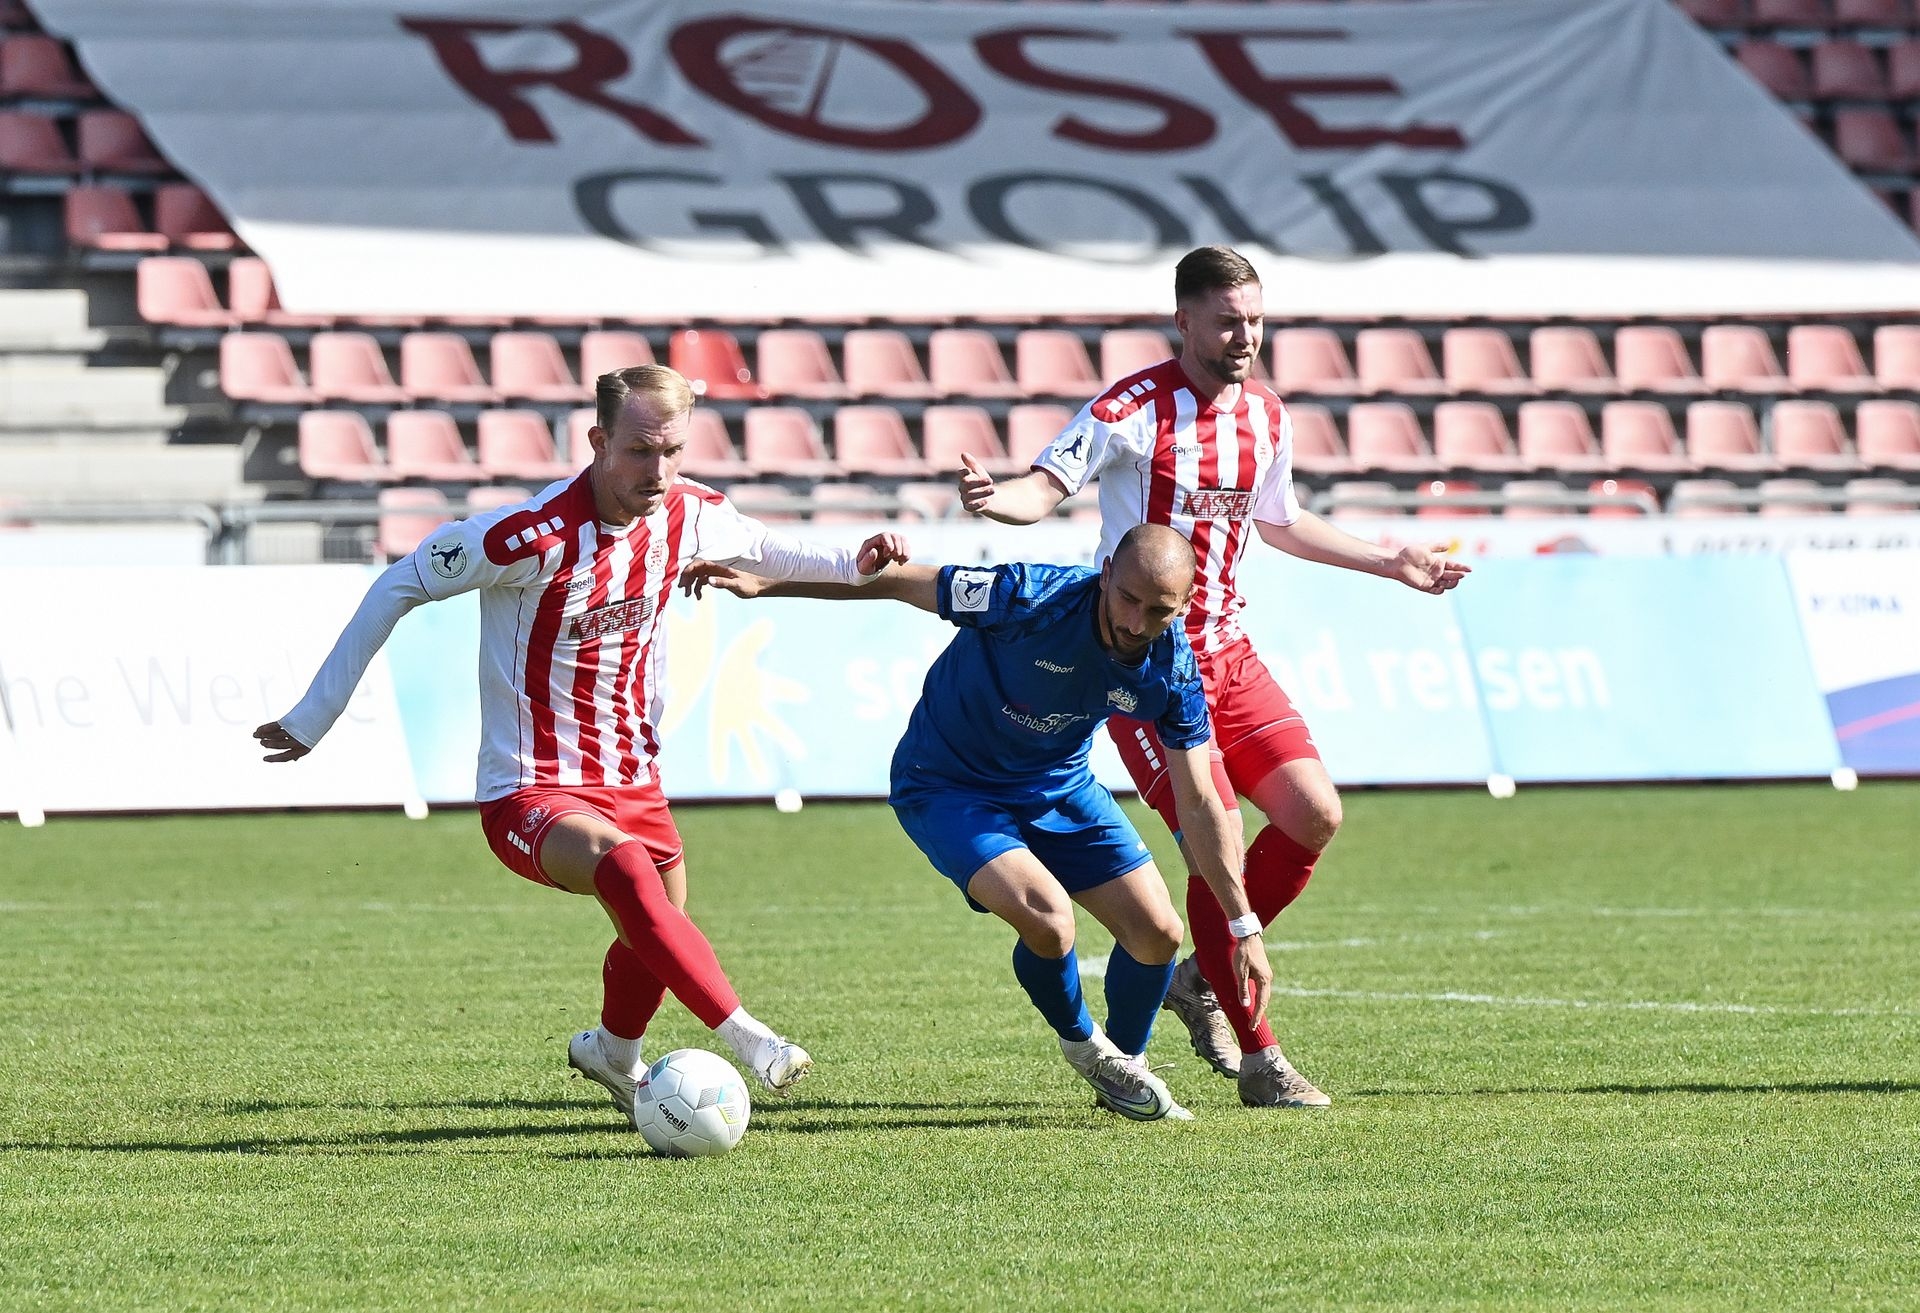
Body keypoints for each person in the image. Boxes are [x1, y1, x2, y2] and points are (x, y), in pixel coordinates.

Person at [253, 364, 907, 1120]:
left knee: (655, 928)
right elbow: (398, 583)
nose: (657, 471)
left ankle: (614, 1054)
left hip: (634, 779)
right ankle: (751, 1039)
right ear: (598, 442)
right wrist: (314, 715)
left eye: (672, 451)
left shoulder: (690, 514)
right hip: (529, 788)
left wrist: (855, 563)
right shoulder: (528, 536)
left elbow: (769, 551)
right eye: (638, 451)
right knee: (627, 870)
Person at [957, 246, 1470, 1108]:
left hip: (1230, 653)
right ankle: (1263, 1060)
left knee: (1314, 813)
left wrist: (1393, 561)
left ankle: (1201, 978)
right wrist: (995, 497)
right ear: (1184, 321)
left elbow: (1283, 521)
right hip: (1146, 667)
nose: (1246, 336)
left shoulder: (1265, 413)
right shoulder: (1131, 409)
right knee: (1217, 835)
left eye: (1256, 320)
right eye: (1229, 321)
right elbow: (1045, 486)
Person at [683, 524, 1274, 1122]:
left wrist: (1242, 924)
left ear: (1185, 604)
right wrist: (767, 582)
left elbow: (1200, 801)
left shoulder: (1173, 670)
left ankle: (1125, 1064)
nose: (1136, 622)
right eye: (1127, 598)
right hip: (947, 784)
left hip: (1058, 786)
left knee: (1159, 933)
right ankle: (1084, 1046)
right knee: (1049, 919)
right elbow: (895, 582)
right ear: (1105, 575)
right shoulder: (1027, 596)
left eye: (1158, 611)